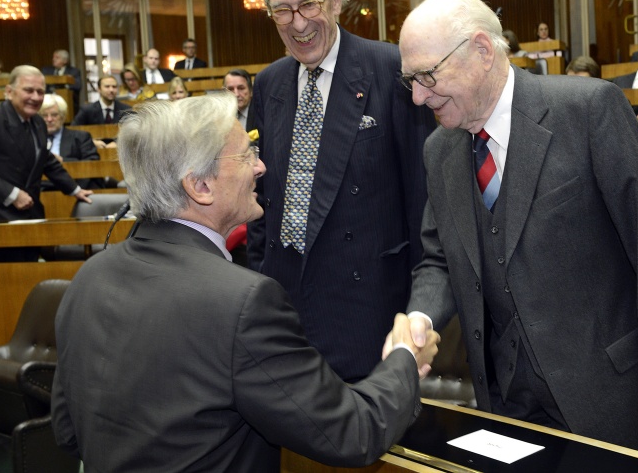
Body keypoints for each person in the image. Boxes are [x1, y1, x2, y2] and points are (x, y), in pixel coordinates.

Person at [389, 0, 638, 454]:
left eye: (427, 75)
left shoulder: (589, 109)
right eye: (410, 82)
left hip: (608, 397)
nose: (419, 96)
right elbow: (440, 257)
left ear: (482, 51)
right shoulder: (440, 149)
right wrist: (419, 318)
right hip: (504, 401)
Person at [51, 94, 439, 472]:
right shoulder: (242, 301)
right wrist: (405, 358)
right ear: (199, 186)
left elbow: (68, 433)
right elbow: (353, 432)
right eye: (246, 155)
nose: (261, 167)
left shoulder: (89, 277)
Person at [246, 0, 437, 382]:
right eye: (282, 10)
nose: (297, 23)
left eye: (307, 5)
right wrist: (257, 278)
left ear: (335, 0)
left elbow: (422, 201)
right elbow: (263, 197)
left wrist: (417, 311)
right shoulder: (270, 82)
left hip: (366, 305)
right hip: (283, 305)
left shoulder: (389, 69)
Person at [0, 66, 93, 261]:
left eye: (40, 92)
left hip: (28, 215)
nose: (36, 97)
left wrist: (74, 189)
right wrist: (12, 195)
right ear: (9, 91)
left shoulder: (37, 122)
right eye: (28, 90)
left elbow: (45, 159)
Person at [39, 93, 100, 190]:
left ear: (62, 116)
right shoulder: (32, 139)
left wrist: (62, 161)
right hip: (40, 190)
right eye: (44, 115)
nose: (49, 119)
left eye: (54, 115)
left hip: (74, 188)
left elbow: (92, 164)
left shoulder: (81, 137)